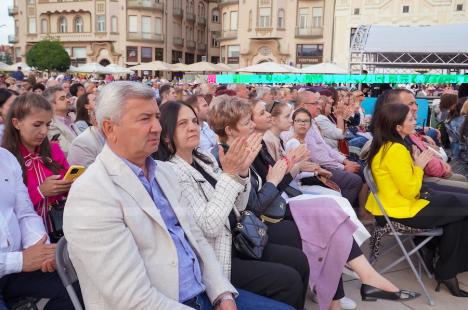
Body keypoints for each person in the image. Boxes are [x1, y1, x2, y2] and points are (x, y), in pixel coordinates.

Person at [64, 81, 265, 310]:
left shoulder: (164, 172)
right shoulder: (91, 193)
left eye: (156, 117)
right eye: (144, 119)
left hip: (202, 294)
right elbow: (131, 298)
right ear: (110, 129)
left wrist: (222, 293)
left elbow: (197, 240)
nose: (157, 127)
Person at [208, 95, 418, 310]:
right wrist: (283, 174)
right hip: (255, 226)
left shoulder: (250, 149)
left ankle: (355, 285)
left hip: (271, 210)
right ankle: (353, 288)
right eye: (248, 121)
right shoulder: (227, 157)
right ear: (230, 129)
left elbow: (266, 191)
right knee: (325, 228)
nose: (256, 122)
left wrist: (287, 171)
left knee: (330, 215)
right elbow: (249, 207)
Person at [156, 100, 303, 309]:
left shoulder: (204, 159)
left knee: (297, 260)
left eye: (194, 121)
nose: (192, 127)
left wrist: (241, 173)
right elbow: (210, 225)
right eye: (182, 124)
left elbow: (240, 206)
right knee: (288, 280)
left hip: (239, 237)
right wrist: (231, 174)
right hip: (220, 255)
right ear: (166, 134)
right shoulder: (172, 171)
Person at [366, 102, 468, 297]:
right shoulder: (394, 150)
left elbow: (407, 185)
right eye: (411, 119)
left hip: (397, 207)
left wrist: (415, 165)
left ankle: (445, 268)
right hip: (399, 212)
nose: (415, 121)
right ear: (398, 127)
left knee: (459, 210)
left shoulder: (390, 146)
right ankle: (446, 270)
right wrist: (419, 166)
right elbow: (411, 191)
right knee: (460, 207)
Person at [0, 147, 77, 310]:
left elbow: (25, 214)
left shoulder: (6, 158)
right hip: (14, 262)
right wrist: (21, 261)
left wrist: (41, 250)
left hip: (16, 266)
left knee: (76, 288)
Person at [2, 93, 72, 235]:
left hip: (60, 228)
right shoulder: (5, 159)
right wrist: (40, 191)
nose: (44, 131)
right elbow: (7, 207)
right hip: (26, 237)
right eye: (36, 125)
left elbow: (68, 184)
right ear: (16, 123)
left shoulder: (53, 149)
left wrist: (69, 183)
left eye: (47, 124)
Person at [43, 86, 80, 155]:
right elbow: (65, 151)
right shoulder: (51, 125)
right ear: (51, 105)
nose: (68, 100)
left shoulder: (69, 119)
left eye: (67, 97)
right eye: (62, 98)